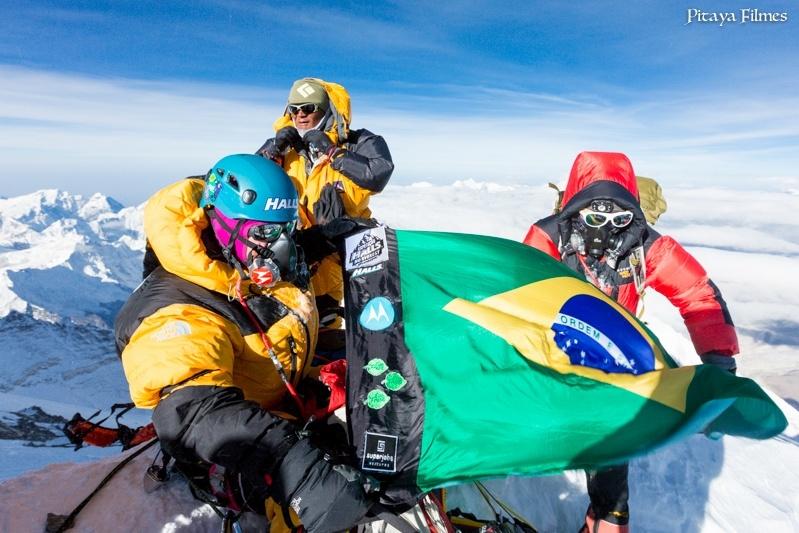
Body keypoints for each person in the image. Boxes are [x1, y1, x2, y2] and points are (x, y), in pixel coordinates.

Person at [114, 154, 374, 533]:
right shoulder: (176, 309)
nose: (280, 247)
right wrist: (293, 464)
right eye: (266, 234)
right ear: (220, 223)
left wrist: (323, 238)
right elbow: (193, 413)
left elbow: (278, 246)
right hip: (230, 450)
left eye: (285, 230)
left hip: (280, 401)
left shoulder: (241, 259)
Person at [522, 151, 739, 533]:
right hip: (552, 353)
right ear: (574, 209)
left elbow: (697, 293)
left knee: (611, 456)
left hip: (613, 362)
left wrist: (720, 363)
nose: (607, 229)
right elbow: (513, 291)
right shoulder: (549, 236)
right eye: (594, 216)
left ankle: (605, 518)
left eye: (619, 219)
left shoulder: (643, 244)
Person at [257, 77, 394, 340]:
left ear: (327, 108)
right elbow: (248, 185)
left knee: (343, 326)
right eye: (294, 109)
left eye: (308, 108)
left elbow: (378, 173)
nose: (300, 115)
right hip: (292, 254)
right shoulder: (284, 148)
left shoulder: (357, 141)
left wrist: (333, 152)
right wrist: (270, 153)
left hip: (346, 254)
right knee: (287, 330)